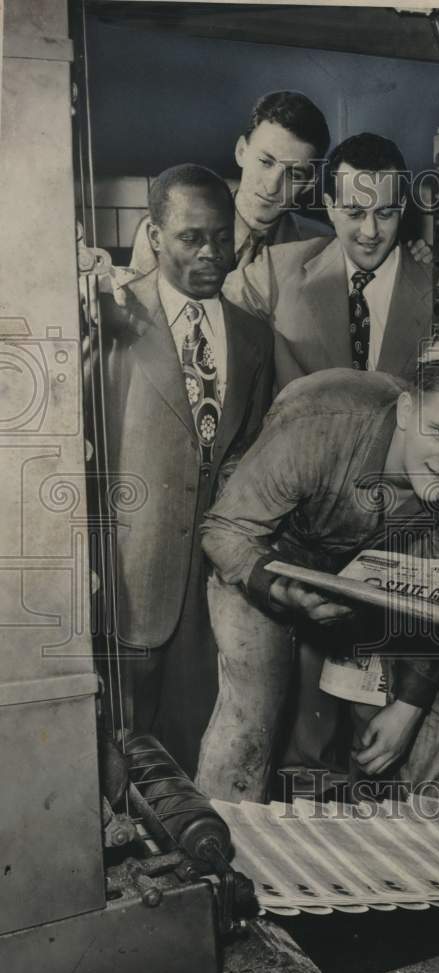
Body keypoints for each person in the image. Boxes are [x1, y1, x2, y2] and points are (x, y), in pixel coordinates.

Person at [196, 360, 439, 803]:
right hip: (268, 548)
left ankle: (420, 850)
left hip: (379, 562)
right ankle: (224, 847)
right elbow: (225, 530)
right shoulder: (318, 420)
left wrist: (409, 707)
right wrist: (281, 590)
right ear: (404, 411)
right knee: (251, 712)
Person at [91, 163, 274, 775]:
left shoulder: (253, 337)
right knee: (119, 762)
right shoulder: (110, 322)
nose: (211, 254)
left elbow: (245, 456)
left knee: (197, 756)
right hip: (129, 583)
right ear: (154, 233)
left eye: (222, 238)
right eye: (191, 238)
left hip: (215, 591)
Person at [223, 132, 433, 390]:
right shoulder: (277, 270)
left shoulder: (438, 284)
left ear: (401, 207)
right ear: (330, 207)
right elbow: (203, 317)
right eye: (354, 213)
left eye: (385, 213)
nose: (370, 231)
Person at [129, 91, 332, 275]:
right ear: (241, 152)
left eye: (294, 174)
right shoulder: (163, 232)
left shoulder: (324, 248)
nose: (272, 187)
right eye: (265, 162)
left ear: (309, 183)